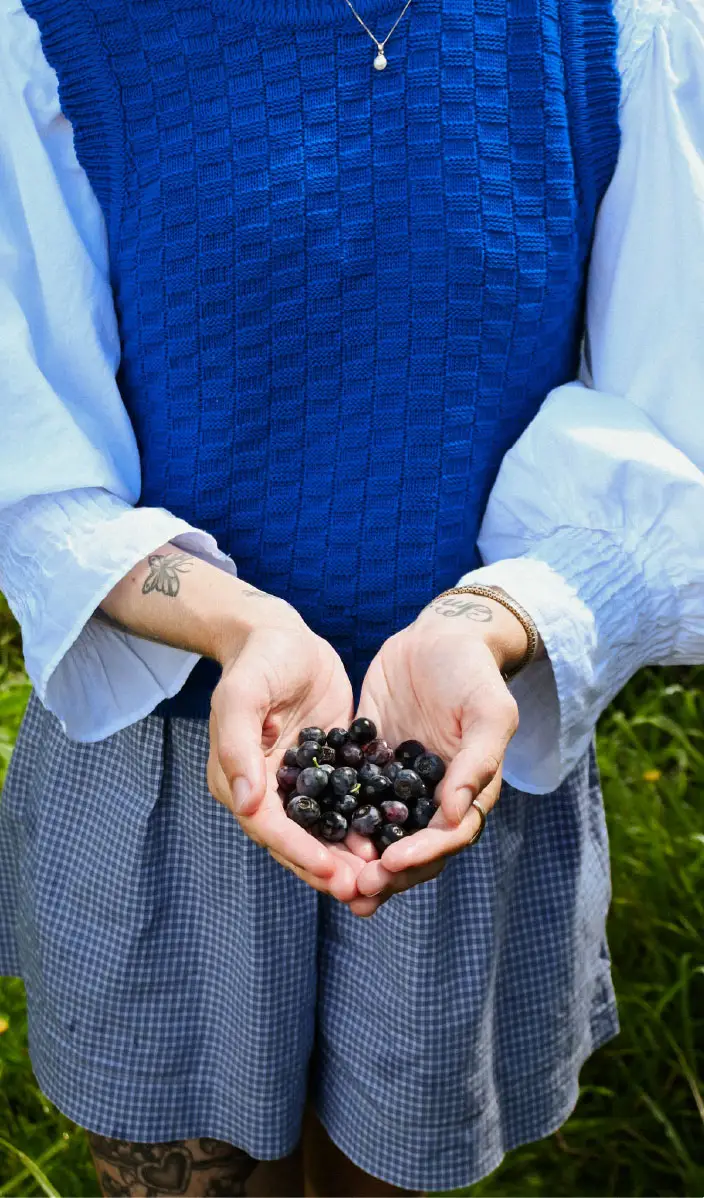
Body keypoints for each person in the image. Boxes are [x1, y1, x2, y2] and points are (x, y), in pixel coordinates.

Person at [0, 0, 702, 1194]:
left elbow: (673, 443)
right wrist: (237, 624)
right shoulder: (57, 30)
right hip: (166, 764)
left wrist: (485, 623)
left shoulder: (618, 27)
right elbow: (29, 459)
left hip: (457, 762)